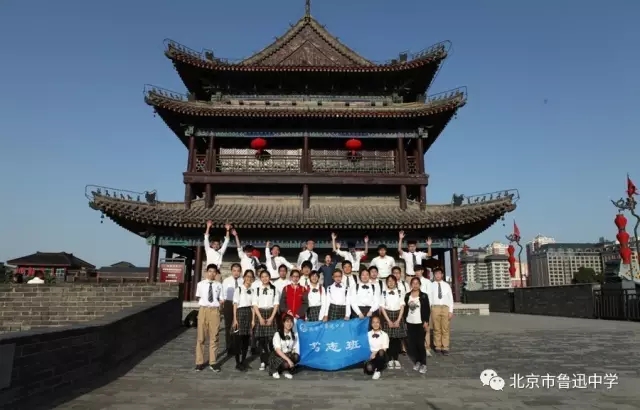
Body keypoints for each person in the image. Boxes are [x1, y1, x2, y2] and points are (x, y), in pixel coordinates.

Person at [194, 264, 224, 372]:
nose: (212, 273)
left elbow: (221, 298)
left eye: (214, 272)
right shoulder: (200, 284)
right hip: (203, 310)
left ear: (216, 273)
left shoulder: (219, 285)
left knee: (214, 337)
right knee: (201, 337)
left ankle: (213, 362)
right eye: (210, 271)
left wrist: (220, 304)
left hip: (214, 311)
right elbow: (198, 297)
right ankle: (199, 362)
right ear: (206, 272)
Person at [252, 270, 280, 371]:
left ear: (269, 277)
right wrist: (259, 317)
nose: (264, 278)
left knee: (272, 339)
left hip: (271, 313)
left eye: (266, 276)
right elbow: (255, 304)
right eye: (262, 277)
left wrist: (272, 318)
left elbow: (276, 304)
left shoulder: (274, 289)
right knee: (261, 340)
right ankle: (263, 361)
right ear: (260, 278)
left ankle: (272, 361)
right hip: (260, 313)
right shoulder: (257, 290)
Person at [404, 277, 430, 374]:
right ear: (411, 285)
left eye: (417, 283)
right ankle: (417, 361)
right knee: (412, 344)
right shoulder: (407, 295)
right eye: (413, 283)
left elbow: (427, 309)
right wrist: (404, 321)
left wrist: (426, 321)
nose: (415, 285)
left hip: (420, 323)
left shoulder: (424, 296)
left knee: (420, 344)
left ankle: (424, 364)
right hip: (410, 322)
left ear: (420, 285)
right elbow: (405, 309)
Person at [379, 275, 406, 369]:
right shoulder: (384, 293)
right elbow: (382, 308)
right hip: (388, 316)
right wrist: (388, 321)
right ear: (386, 283)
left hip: (398, 315)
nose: (390, 283)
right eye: (389, 281)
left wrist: (398, 320)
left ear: (395, 282)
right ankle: (390, 359)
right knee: (388, 338)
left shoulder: (400, 292)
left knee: (397, 339)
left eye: (392, 281)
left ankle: (396, 359)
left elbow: (402, 307)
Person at [232, 270, 255, 371]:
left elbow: (253, 306)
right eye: (247, 276)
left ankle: (243, 361)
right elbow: (235, 304)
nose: (249, 278)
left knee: (246, 338)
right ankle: (237, 362)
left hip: (249, 313)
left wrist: (253, 320)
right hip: (240, 313)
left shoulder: (253, 290)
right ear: (244, 277)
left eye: (251, 277)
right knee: (238, 339)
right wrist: (235, 319)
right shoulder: (239, 289)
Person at [430, 267, 454, 355]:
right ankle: (437, 346)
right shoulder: (431, 285)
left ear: (442, 275)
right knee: (436, 328)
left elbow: (450, 299)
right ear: (434, 275)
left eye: (439, 273)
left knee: (445, 328)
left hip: (445, 308)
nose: (437, 275)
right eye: (436, 274)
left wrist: (450, 311)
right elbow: (429, 298)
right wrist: (430, 309)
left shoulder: (447, 285)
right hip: (435, 307)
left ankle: (445, 347)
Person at [269, 314, 300, 379]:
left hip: (287, 354)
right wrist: (289, 360)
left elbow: (294, 348)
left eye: (291, 322)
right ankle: (275, 370)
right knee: (286, 364)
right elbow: (278, 350)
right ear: (283, 323)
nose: (289, 324)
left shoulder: (293, 335)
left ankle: (285, 371)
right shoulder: (277, 334)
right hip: (278, 356)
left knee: (297, 357)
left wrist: (292, 357)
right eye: (287, 321)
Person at [222, 263, 243, 355]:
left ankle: (238, 347)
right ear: (231, 271)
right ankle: (229, 347)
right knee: (228, 326)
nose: (236, 273)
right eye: (234, 271)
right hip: (229, 303)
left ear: (240, 271)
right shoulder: (226, 281)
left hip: (240, 304)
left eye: (238, 271)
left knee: (239, 326)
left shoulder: (243, 281)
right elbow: (223, 294)